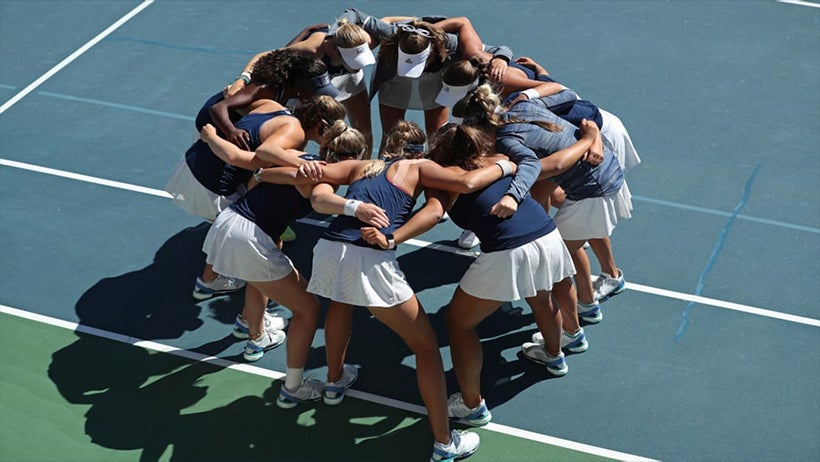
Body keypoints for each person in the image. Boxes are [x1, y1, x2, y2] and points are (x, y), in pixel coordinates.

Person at [253, 124, 519, 461]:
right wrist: (506, 166)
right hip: (368, 257)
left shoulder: (361, 166)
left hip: (329, 250)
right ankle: (444, 443)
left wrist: (263, 173)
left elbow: (306, 181)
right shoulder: (419, 167)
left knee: (341, 303)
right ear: (420, 150)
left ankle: (335, 382)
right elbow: (455, 193)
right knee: (426, 349)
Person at [406, 121, 595, 427]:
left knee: (459, 323)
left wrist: (394, 233)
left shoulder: (445, 180)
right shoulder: (497, 160)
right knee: (540, 296)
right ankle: (554, 354)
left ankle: (471, 405)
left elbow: (433, 213)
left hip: (509, 251)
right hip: (548, 236)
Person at [199, 120, 390, 406]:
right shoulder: (320, 178)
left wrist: (269, 175)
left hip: (229, 223)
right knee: (308, 309)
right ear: (356, 158)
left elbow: (262, 171)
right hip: (250, 236)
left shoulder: (305, 160)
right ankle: (293, 388)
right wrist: (356, 207)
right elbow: (320, 199)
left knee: (261, 277)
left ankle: (253, 334)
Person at [457, 85, 631, 328]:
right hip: (607, 175)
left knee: (555, 262)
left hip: (593, 192)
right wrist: (529, 94)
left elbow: (543, 165)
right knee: (568, 246)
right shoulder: (524, 105)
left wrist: (512, 194)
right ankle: (589, 303)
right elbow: (569, 95)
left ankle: (572, 328)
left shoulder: (507, 140)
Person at [165, 94, 345, 307]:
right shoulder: (294, 133)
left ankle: (210, 281)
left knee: (233, 230)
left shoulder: (270, 105)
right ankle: (244, 311)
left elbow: (225, 103)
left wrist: (218, 133)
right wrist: (304, 165)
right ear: (321, 125)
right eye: (330, 133)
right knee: (255, 249)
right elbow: (251, 158)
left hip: (192, 162)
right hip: (211, 185)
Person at [369, 16, 513, 152]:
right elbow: (355, 16)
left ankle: (434, 169)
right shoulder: (393, 34)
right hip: (395, 78)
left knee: (437, 137)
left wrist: (501, 57)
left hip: (433, 81)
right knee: (390, 136)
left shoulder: (449, 43)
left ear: (431, 51)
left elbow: (493, 49)